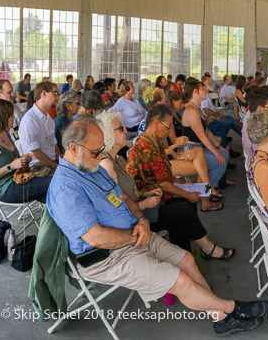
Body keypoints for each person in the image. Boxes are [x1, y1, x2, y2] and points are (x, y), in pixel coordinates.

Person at [47, 117, 268, 336]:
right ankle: (231, 308)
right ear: (73, 148)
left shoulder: (90, 169)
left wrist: (142, 220)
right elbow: (95, 237)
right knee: (181, 280)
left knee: (188, 261)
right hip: (108, 257)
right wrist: (135, 235)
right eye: (96, 152)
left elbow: (123, 197)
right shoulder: (66, 188)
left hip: (134, 234)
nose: (99, 156)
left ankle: (219, 315)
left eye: (101, 150)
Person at [97, 109, 234, 261]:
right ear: (108, 134)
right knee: (183, 210)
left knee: (185, 205)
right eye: (121, 128)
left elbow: (149, 181)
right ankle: (202, 250)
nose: (126, 131)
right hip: (137, 216)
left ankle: (189, 253)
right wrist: (142, 203)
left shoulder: (119, 159)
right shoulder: (110, 163)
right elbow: (115, 205)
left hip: (149, 200)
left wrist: (147, 194)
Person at [0, 99, 52, 203]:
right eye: (10, 115)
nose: (14, 117)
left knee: (51, 196)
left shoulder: (5, 133)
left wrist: (23, 159)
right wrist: (10, 166)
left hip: (20, 179)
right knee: (53, 182)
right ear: (1, 117)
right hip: (5, 189)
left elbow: (13, 160)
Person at [182, 80, 232, 197]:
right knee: (220, 160)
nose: (206, 91)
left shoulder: (196, 109)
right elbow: (201, 136)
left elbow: (206, 131)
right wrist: (216, 153)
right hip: (191, 150)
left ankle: (209, 189)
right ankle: (210, 190)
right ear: (195, 91)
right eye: (203, 89)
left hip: (197, 148)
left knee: (225, 155)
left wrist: (219, 147)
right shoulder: (191, 111)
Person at [19, 81, 60, 176]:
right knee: (68, 179)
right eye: (55, 93)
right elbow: (36, 153)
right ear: (44, 93)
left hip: (50, 163)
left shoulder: (48, 119)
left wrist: (61, 162)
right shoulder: (30, 119)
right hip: (37, 167)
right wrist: (56, 166)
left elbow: (54, 145)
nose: (57, 97)